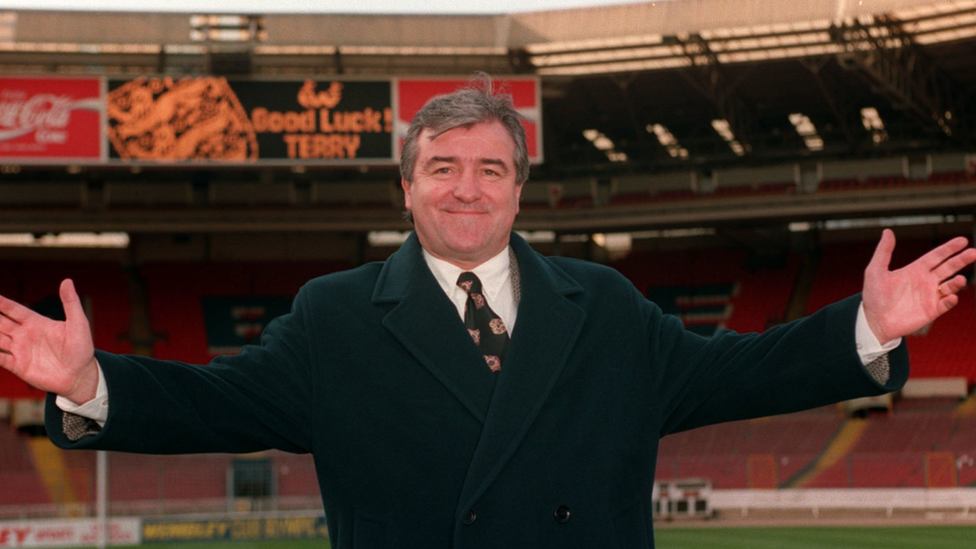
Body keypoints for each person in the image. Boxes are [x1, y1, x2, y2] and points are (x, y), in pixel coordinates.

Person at [1, 75, 974, 548]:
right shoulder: (334, 315)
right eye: (443, 168)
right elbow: (216, 405)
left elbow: (731, 374)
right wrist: (88, 381)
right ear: (408, 187)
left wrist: (868, 326)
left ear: (516, 191)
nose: (467, 190)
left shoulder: (600, 300)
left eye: (490, 169)